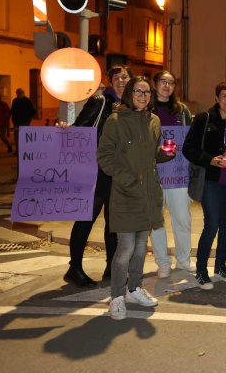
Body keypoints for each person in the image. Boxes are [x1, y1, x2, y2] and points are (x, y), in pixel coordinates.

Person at [98, 76, 175, 320]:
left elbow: (151, 154)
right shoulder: (115, 121)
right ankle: (117, 297)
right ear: (129, 94)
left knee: (141, 247)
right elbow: (104, 157)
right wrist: (128, 179)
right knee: (126, 248)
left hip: (148, 193)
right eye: (138, 92)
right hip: (125, 193)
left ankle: (134, 289)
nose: (143, 96)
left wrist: (165, 154)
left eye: (147, 92)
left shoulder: (154, 120)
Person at [64, 65, 133, 287]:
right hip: (96, 171)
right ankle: (74, 268)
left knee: (113, 222)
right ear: (110, 81)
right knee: (86, 218)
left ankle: (111, 267)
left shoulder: (134, 105)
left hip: (118, 173)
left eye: (124, 77)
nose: (121, 80)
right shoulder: (100, 101)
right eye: (116, 77)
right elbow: (79, 129)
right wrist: (67, 128)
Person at [182, 81, 226, 290]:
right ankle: (201, 270)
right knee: (212, 224)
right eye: (224, 96)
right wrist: (210, 160)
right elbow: (188, 149)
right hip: (211, 182)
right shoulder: (204, 119)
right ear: (216, 98)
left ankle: (221, 266)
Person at [148, 71, 195, 277]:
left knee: (182, 219)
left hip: (178, 174)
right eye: (163, 82)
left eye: (171, 83)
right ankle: (163, 263)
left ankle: (184, 260)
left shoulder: (182, 111)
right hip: (153, 175)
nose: (167, 86)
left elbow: (191, 138)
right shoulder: (146, 108)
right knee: (156, 221)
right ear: (155, 84)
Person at [10, 88, 36, 156]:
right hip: (16, 122)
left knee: (24, 136)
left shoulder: (27, 100)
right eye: (17, 93)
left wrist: (27, 116)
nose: (18, 94)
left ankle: (24, 150)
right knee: (16, 137)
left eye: (19, 93)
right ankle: (17, 151)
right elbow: (12, 110)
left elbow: (33, 111)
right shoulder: (15, 100)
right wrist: (11, 116)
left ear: (23, 93)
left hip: (25, 121)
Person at [0, 90, 12, 155]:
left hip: (2, 124)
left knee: (2, 137)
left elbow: (8, 112)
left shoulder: (3, 104)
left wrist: (5, 119)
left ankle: (9, 146)